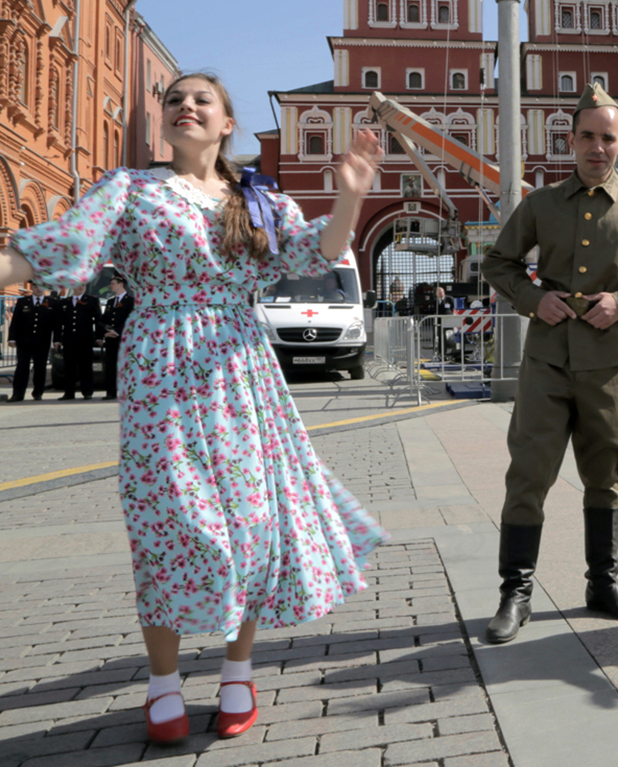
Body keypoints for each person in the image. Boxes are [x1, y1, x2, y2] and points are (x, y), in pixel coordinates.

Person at [0, 72, 385, 744]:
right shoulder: (129, 189)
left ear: (226, 122)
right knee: (170, 523)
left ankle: (238, 670)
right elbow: (53, 244)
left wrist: (350, 196)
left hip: (241, 370)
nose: (185, 107)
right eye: (174, 100)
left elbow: (318, 250)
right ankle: (163, 682)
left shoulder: (257, 200)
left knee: (249, 523)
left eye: (200, 99)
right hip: (160, 369)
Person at [479, 84, 618, 645]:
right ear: (570, 141)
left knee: (606, 478)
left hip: (612, 361)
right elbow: (499, 263)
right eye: (588, 136)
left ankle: (603, 584)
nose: (598, 147)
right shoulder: (541, 204)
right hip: (547, 359)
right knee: (528, 476)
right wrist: (531, 298)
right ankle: (515, 593)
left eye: (608, 138)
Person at [6, 281, 53, 402]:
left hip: (42, 341)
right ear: (32, 288)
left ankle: (38, 393)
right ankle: (18, 394)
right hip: (24, 341)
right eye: (36, 286)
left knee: (40, 367)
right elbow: (15, 321)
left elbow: (56, 323)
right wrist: (12, 338)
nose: (39, 289)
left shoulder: (52, 302)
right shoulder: (23, 302)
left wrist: (57, 339)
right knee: (22, 367)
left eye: (41, 287)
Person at [52, 285, 102, 400]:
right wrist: (57, 339)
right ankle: (69, 392)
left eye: (83, 285)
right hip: (69, 339)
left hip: (85, 338)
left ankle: (87, 391)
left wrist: (99, 337)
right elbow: (58, 323)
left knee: (85, 366)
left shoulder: (92, 300)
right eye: (78, 285)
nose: (81, 288)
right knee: (69, 367)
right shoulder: (64, 302)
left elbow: (98, 320)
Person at [99, 274, 134, 400]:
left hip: (124, 339)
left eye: (113, 283)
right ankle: (110, 392)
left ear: (121, 284)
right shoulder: (110, 302)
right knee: (110, 367)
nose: (111, 285)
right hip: (110, 339)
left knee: (125, 367)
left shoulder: (130, 301)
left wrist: (117, 331)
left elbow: (130, 320)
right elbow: (103, 320)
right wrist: (106, 331)